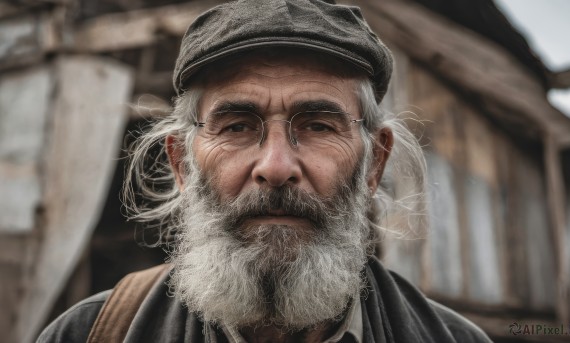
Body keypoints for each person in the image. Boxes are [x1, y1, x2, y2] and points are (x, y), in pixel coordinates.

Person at [38, 0, 492, 342]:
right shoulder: (90, 333)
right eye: (236, 126)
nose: (275, 167)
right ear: (181, 163)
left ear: (374, 163)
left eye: (318, 125)